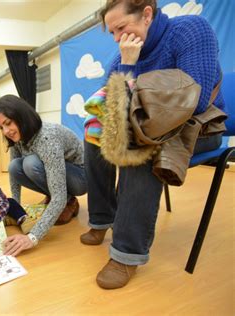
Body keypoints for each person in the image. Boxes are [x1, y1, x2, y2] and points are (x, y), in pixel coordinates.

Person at [81, 0, 225, 290]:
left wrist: (135, 96)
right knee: (94, 135)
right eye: (112, 32)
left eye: (121, 27)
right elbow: (114, 111)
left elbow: (196, 100)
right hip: (147, 124)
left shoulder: (189, 30)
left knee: (139, 147)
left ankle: (126, 254)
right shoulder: (121, 58)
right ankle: (101, 219)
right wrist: (127, 65)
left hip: (199, 127)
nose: (118, 37)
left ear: (147, 14)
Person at [0, 95, 87, 256]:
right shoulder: (17, 137)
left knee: (30, 163)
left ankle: (70, 200)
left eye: (8, 123)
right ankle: (61, 199)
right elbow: (14, 172)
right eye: (1, 127)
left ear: (21, 117)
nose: (6, 131)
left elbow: (58, 195)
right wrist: (15, 207)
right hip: (59, 175)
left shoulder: (46, 138)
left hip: (81, 178)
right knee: (15, 166)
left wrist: (32, 237)